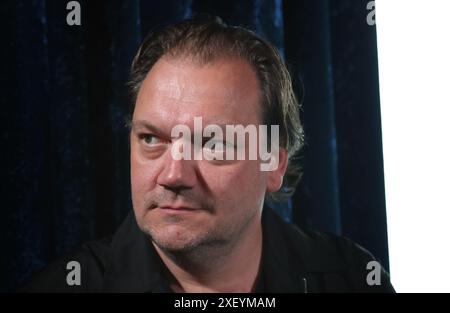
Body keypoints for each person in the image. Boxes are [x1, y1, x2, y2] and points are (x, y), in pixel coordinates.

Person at [22, 16, 394, 293]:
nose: (172, 175)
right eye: (152, 139)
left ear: (274, 163)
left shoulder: (352, 279)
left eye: (212, 143)